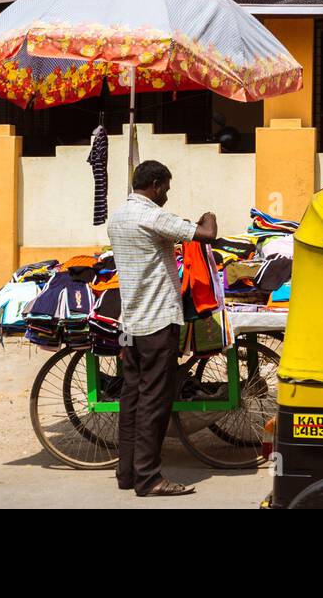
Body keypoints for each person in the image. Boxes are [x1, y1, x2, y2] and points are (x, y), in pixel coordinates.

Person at [106, 160, 218, 497]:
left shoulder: (118, 217)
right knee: (155, 401)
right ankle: (149, 479)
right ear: (155, 184)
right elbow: (207, 235)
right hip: (157, 323)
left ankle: (127, 473)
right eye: (166, 189)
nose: (166, 196)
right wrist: (208, 215)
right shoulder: (153, 216)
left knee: (132, 399)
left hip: (131, 324)